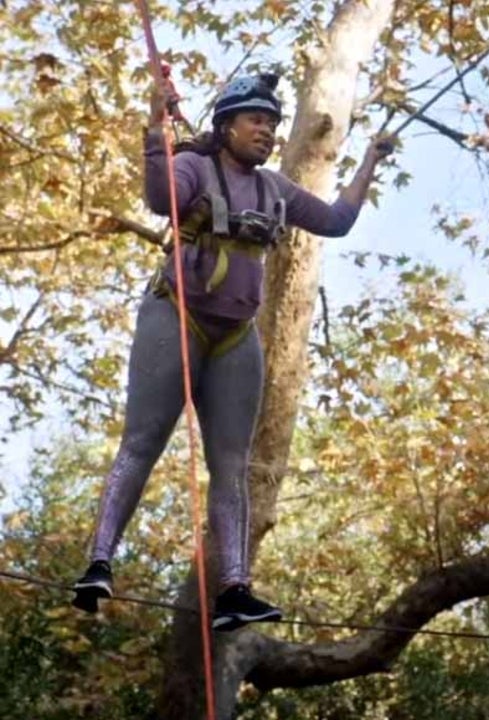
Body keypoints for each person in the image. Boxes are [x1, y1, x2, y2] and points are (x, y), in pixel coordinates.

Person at [72, 73, 394, 631]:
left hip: (235, 335)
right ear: (226, 127)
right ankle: (99, 560)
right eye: (256, 122)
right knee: (143, 440)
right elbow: (158, 198)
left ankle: (235, 589)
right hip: (177, 316)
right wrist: (155, 127)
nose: (267, 132)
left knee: (233, 467)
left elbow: (337, 222)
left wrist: (370, 159)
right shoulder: (196, 167)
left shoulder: (275, 190)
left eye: (272, 124)